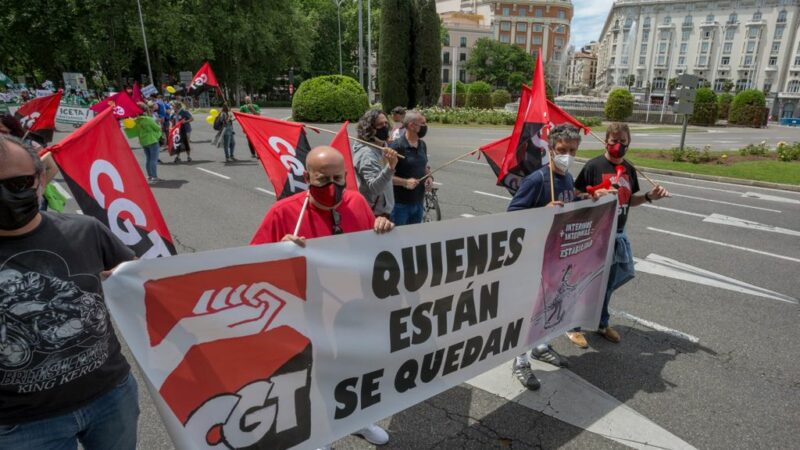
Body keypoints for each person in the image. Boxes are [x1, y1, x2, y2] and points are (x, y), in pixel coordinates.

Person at [0, 135, 139, 449]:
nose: (6, 196)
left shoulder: (85, 230)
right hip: (20, 423)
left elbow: (144, 279)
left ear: (40, 179)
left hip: (110, 397)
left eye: (18, 183)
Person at [250, 146, 392, 450]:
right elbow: (251, 261)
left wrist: (382, 226)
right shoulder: (284, 212)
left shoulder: (357, 202)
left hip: (354, 307)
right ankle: (318, 433)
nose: (332, 185)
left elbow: (374, 249)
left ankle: (359, 419)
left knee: (356, 367)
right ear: (306, 177)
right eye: (322, 178)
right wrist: (278, 250)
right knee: (314, 375)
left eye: (338, 177)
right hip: (307, 313)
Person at [506, 125, 613, 390]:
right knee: (528, 311)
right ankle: (520, 361)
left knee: (549, 306)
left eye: (572, 151)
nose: (567, 155)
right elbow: (511, 215)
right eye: (562, 150)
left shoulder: (565, 178)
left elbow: (571, 203)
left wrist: (588, 197)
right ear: (550, 149)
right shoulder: (537, 180)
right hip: (532, 258)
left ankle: (541, 346)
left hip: (555, 260)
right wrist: (543, 210)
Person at [570, 122, 670, 347]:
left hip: (618, 235)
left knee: (608, 283)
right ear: (606, 141)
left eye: (623, 141)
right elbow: (575, 194)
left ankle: (602, 323)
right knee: (586, 283)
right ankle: (572, 327)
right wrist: (594, 193)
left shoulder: (629, 169)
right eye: (614, 140)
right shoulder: (594, 166)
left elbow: (629, 199)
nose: (618, 145)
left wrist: (648, 197)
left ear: (629, 144)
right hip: (594, 235)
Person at [353, 109, 399, 218]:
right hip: (373, 215)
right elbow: (375, 188)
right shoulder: (367, 155)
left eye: (386, 123)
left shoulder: (382, 146)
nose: (384, 127)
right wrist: (390, 167)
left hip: (384, 212)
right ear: (370, 129)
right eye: (380, 125)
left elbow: (385, 179)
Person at [390, 110, 430, 225]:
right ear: (412, 125)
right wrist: (405, 182)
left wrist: (429, 177)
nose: (425, 127)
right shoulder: (397, 146)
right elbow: (387, 177)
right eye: (422, 123)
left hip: (418, 203)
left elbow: (424, 166)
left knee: (415, 240)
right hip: (400, 206)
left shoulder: (422, 145)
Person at [124, 103, 163, 182]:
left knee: (148, 159)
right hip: (152, 140)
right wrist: (159, 124)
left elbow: (133, 131)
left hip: (143, 141)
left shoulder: (136, 120)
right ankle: (154, 177)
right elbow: (157, 128)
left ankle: (150, 176)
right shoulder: (148, 119)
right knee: (153, 160)